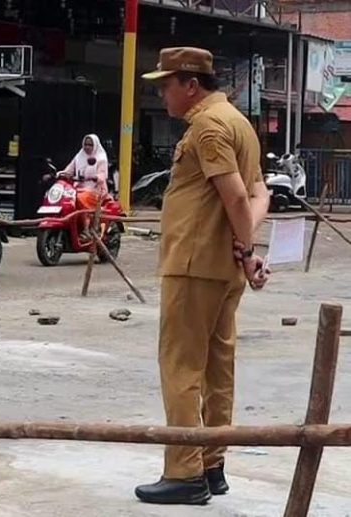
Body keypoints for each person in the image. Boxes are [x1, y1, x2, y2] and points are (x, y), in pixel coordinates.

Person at [134, 47, 271, 505]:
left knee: (181, 367)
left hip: (193, 265)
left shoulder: (209, 126)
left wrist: (248, 246)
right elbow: (259, 194)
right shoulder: (238, 122)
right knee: (217, 370)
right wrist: (247, 252)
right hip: (223, 268)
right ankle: (213, 465)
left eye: (166, 85)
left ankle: (184, 472)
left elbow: (236, 197)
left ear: (191, 84)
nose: (162, 93)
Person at [58, 133, 110, 241]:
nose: (87, 147)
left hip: (96, 189)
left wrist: (96, 177)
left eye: (90, 145)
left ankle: (86, 230)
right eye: (85, 144)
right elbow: (69, 170)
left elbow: (103, 174)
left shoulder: (101, 158)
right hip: (78, 188)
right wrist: (61, 173)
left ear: (95, 145)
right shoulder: (79, 156)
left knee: (81, 198)